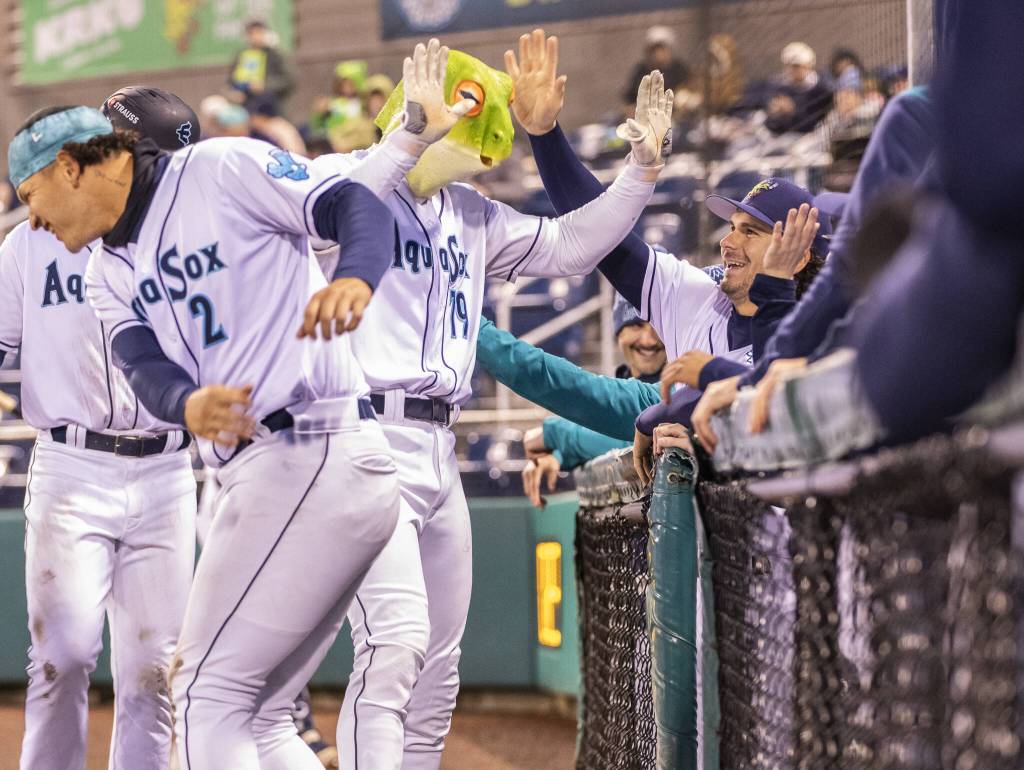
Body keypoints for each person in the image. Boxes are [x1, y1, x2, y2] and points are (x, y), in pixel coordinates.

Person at [10, 96, 405, 767]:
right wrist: (186, 403)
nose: (32, 216)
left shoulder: (221, 167)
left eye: (31, 192)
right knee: (258, 713)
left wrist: (358, 278)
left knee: (201, 695)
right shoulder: (109, 268)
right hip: (263, 469)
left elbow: (356, 206)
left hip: (311, 446)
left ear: (71, 167)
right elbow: (144, 365)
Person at [311, 35, 670, 769]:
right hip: (361, 433)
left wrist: (641, 171)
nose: (479, 156)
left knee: (438, 671)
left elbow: (572, 246)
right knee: (393, 652)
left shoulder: (467, 212)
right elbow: (331, 214)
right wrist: (410, 138)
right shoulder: (346, 179)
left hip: (439, 444)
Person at [0, 88, 199, 770]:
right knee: (63, 653)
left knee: (154, 669)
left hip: (168, 469)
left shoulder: (170, 225)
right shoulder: (24, 245)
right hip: (73, 467)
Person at [517, 294, 667, 505]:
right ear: (618, 332)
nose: (649, 340)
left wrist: (557, 436)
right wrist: (559, 457)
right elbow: (613, 432)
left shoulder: (681, 385)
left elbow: (635, 433)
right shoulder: (619, 385)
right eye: (636, 326)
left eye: (659, 328)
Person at [764, 42, 833, 134]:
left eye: (796, 66)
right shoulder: (781, 88)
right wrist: (774, 114)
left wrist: (792, 111)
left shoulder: (821, 89)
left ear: (809, 65)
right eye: (787, 65)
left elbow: (813, 123)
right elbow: (771, 125)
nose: (791, 70)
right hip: (782, 136)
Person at [229, 18, 294, 114]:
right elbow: (230, 81)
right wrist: (233, 93)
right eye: (252, 33)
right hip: (244, 106)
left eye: (259, 33)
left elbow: (289, 79)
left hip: (270, 106)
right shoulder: (242, 55)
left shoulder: (275, 54)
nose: (256, 37)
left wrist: (265, 85)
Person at [622, 25, 689, 109]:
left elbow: (688, 91)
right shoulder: (642, 70)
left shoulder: (679, 69)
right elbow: (629, 97)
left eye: (662, 49)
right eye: (654, 50)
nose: (658, 54)